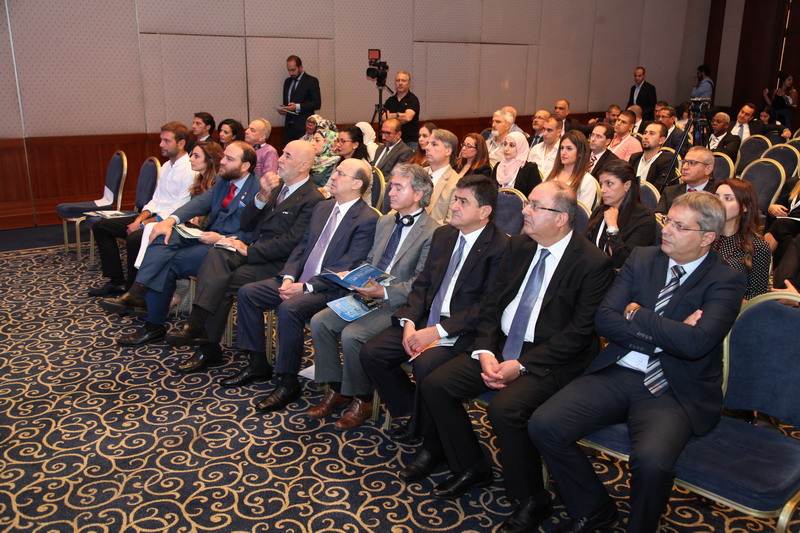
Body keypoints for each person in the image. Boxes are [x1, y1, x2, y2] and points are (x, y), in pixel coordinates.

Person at [530, 191, 747, 533]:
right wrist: (669, 331)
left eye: (680, 226)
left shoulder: (726, 278)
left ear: (707, 238)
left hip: (673, 388)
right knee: (544, 424)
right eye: (668, 221)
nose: (667, 230)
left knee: (651, 462)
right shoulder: (643, 258)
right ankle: (593, 508)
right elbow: (604, 319)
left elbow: (696, 344)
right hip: (619, 370)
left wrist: (637, 314)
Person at [408, 181, 613, 533]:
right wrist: (486, 350)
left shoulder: (593, 263)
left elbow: (578, 334)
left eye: (534, 206)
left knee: (505, 409)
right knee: (436, 384)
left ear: (561, 218)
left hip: (551, 356)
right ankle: (471, 465)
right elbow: (491, 305)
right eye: (527, 204)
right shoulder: (519, 246)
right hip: (502, 343)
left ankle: (531, 497)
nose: (523, 210)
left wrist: (521, 365)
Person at [359, 175, 508, 440]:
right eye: (455, 199)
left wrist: (435, 332)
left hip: (462, 328)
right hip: (427, 317)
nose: (454, 207)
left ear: (484, 212)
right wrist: (409, 322)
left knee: (426, 365)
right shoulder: (444, 234)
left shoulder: (500, 247)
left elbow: (486, 306)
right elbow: (423, 284)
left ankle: (426, 433)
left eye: (463, 202)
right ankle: (413, 411)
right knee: (373, 353)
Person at [231, 158, 379, 412]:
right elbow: (302, 246)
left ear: (357, 184)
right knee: (248, 293)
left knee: (290, 308)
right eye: (334, 171)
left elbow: (349, 264)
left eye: (340, 174)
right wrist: (289, 276)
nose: (333, 177)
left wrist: (306, 287)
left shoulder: (366, 218)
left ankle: (288, 381)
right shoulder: (323, 207)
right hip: (299, 280)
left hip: (330, 288)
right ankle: (257, 363)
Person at [165, 140, 325, 372]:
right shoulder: (277, 186)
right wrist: (261, 196)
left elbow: (291, 243)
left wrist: (248, 250)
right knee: (218, 253)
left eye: (287, 156)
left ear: (303, 166)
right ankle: (201, 331)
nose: (280, 160)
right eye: (282, 153)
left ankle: (206, 341)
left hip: (277, 264)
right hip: (254, 251)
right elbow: (246, 223)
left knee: (220, 280)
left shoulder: (312, 199)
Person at [308, 164, 439, 430]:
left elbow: (421, 282)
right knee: (320, 322)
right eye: (391, 186)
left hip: (397, 302)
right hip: (369, 293)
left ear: (418, 194)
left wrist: (385, 291)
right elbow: (371, 260)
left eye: (399, 187)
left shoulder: (433, 231)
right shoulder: (386, 220)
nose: (390, 192)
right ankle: (338, 388)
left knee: (352, 335)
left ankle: (363, 398)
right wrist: (354, 275)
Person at [100, 141, 262, 345]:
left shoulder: (259, 188)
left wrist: (220, 238)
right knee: (162, 235)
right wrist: (169, 221)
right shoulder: (223, 180)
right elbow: (199, 203)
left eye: (229, 159)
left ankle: (150, 320)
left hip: (229, 248)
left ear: (245, 166)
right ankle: (138, 294)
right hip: (208, 236)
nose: (222, 161)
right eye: (224, 156)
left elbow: (254, 232)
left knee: (167, 262)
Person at [88, 122, 195, 297]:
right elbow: (155, 200)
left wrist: (143, 224)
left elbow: (178, 210)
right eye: (161, 140)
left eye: (166, 141)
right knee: (101, 227)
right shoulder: (166, 166)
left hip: (172, 222)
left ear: (181, 143)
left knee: (134, 239)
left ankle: (133, 292)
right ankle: (117, 282)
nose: (161, 144)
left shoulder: (190, 170)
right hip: (153, 217)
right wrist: (139, 219)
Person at [586, 159, 656, 269]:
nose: (603, 190)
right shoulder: (600, 211)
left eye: (609, 183)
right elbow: (585, 245)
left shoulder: (644, 218)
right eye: (601, 184)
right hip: (593, 270)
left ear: (627, 185)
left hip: (619, 276)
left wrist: (612, 227)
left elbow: (622, 261)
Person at [713, 179, 771, 300]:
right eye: (716, 197)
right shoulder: (700, 235)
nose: (718, 202)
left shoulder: (758, 246)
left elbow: (756, 297)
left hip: (729, 306)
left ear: (744, 206)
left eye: (728, 198)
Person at [655, 146, 716, 214]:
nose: (684, 167)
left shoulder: (716, 194)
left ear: (708, 169)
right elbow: (658, 217)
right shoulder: (670, 192)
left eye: (692, 163)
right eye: (684, 162)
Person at [546, 130, 597, 208]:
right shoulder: (550, 172)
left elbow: (583, 212)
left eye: (569, 148)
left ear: (580, 152)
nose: (563, 152)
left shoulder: (587, 180)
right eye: (561, 148)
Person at [278, 55, 321, 145]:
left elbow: (317, 103)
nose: (291, 73)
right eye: (289, 70)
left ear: (301, 67)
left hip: (303, 127)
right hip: (289, 128)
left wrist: (297, 107)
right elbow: (288, 103)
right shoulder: (287, 82)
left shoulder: (311, 81)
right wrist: (285, 109)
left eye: (293, 70)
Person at [424, 128, 460, 224]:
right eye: (427, 143)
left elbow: (450, 222)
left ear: (448, 151)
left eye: (434, 144)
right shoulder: (417, 173)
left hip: (434, 231)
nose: (427, 147)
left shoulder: (456, 183)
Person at [491, 131, 541, 198]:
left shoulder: (529, 169)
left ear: (521, 147)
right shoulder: (498, 166)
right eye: (505, 144)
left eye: (512, 145)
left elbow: (535, 196)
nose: (506, 149)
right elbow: (491, 192)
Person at [629, 122, 673, 191]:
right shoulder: (635, 157)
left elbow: (658, 190)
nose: (646, 137)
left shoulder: (666, 162)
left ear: (661, 140)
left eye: (652, 134)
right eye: (645, 133)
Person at [383, 71, 420, 149]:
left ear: (409, 84)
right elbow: (384, 118)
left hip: (410, 142)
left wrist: (392, 117)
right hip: (392, 142)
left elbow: (407, 118)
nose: (400, 83)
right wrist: (399, 115)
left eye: (403, 80)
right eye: (398, 80)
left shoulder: (413, 99)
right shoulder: (390, 100)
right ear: (395, 83)